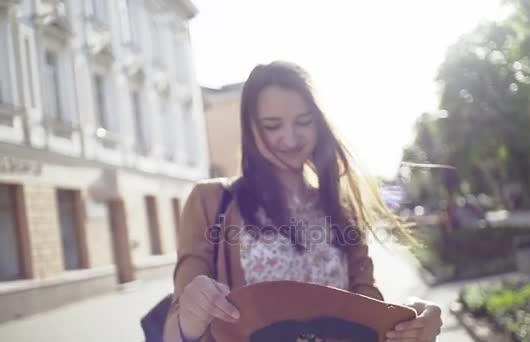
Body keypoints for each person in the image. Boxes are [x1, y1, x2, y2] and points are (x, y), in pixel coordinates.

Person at [164, 61, 443, 342]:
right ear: (250, 129)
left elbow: (369, 326)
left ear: (319, 122)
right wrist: (190, 316)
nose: (290, 138)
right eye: (272, 126)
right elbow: (173, 335)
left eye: (304, 121)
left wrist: (412, 325)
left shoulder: (341, 208)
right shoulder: (211, 203)